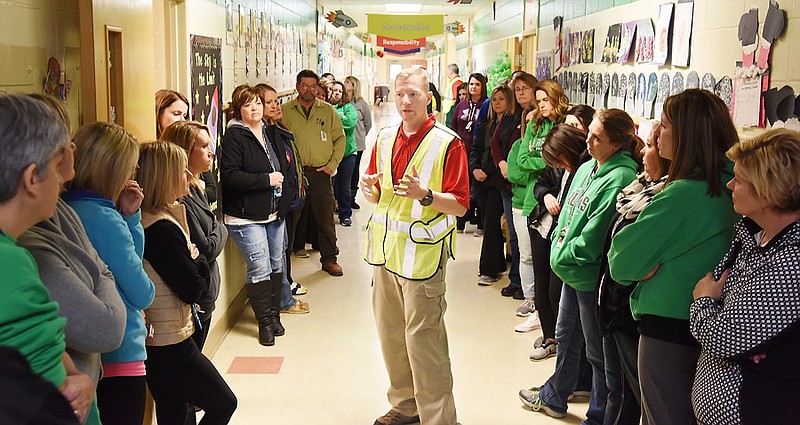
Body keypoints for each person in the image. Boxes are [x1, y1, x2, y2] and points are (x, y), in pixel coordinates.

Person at [608, 89, 740, 425]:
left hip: (669, 330)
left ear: (685, 134)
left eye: (664, 126)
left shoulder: (686, 193)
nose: (657, 133)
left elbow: (621, 261)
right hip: (710, 328)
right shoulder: (732, 185)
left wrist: (646, 265)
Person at [361, 67, 469, 425]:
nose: (406, 101)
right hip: (386, 254)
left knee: (425, 344)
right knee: (391, 338)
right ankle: (406, 405)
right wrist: (371, 190)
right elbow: (382, 194)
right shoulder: (386, 136)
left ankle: (439, 419)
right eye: (400, 94)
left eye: (414, 95)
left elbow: (460, 204)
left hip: (422, 257)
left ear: (429, 99)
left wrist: (426, 196)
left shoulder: (447, 143)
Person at [520, 109, 640, 425]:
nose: (587, 139)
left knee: (598, 355)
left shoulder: (621, 177)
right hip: (569, 270)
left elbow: (594, 235)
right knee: (565, 335)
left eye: (596, 136)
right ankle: (554, 396)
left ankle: (598, 416)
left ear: (616, 145)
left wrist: (563, 252)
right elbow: (567, 220)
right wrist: (560, 248)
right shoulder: (587, 167)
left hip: (589, 276)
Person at [18, 94, 126, 425]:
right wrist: (99, 274)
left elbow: (102, 272)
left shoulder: (61, 208)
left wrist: (99, 275)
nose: (73, 151)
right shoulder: (24, 249)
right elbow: (106, 326)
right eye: (64, 143)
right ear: (32, 172)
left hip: (84, 393)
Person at [691, 128, 800, 425]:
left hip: (755, 410)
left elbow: (724, 337)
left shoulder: (791, 262)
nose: (729, 184)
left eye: (739, 180)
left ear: (767, 191)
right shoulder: (752, 234)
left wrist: (701, 302)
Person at [0, 94, 96, 424]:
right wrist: (75, 379)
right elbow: (50, 388)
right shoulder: (8, 264)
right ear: (31, 178)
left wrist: (74, 373)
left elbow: (45, 354)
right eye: (57, 166)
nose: (64, 178)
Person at [135, 141, 237, 425]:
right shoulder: (161, 229)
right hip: (169, 341)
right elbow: (193, 287)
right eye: (182, 172)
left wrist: (194, 258)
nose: (190, 178)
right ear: (164, 177)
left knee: (174, 412)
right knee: (223, 402)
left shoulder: (155, 217)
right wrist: (200, 261)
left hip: (161, 336)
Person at [63, 122, 155, 425]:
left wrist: (127, 217)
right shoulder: (104, 219)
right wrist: (129, 222)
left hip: (82, 351)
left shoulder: (64, 209)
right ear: (114, 171)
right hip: (120, 352)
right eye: (129, 170)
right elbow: (141, 292)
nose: (132, 177)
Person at [596, 124, 670, 424]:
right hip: (613, 304)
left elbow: (632, 263)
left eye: (651, 146)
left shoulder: (663, 199)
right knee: (617, 387)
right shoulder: (638, 189)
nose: (643, 151)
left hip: (630, 315)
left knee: (633, 396)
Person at [220, 85, 291, 346]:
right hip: (246, 216)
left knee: (276, 264)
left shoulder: (267, 131)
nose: (256, 109)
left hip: (273, 213)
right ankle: (264, 324)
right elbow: (230, 175)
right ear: (239, 109)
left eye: (258, 104)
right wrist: (266, 180)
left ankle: (273, 316)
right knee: (259, 267)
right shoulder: (235, 136)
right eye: (248, 105)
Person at [159, 121, 229, 351]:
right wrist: (222, 228)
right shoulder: (180, 199)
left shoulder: (196, 187)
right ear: (184, 152)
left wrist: (216, 229)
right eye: (203, 146)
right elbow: (207, 248)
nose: (211, 152)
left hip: (207, 294)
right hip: (195, 300)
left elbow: (210, 237)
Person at [528, 122, 593, 361]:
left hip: (563, 241)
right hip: (543, 229)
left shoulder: (585, 170)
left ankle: (560, 343)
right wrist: (545, 196)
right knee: (542, 287)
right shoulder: (560, 168)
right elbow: (539, 184)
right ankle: (550, 337)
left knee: (558, 295)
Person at [512, 79, 569, 332]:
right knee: (530, 257)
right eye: (539, 101)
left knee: (549, 267)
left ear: (556, 99)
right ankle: (537, 310)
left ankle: (553, 325)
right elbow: (523, 160)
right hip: (532, 199)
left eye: (546, 100)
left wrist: (546, 161)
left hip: (555, 200)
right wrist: (547, 160)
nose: (542, 105)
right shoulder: (535, 123)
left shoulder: (563, 124)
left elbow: (560, 160)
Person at [282, 70, 346, 276]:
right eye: (304, 85)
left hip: (320, 174)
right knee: (291, 220)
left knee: (325, 218)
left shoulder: (327, 111)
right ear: (297, 86)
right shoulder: (285, 111)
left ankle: (329, 259)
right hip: (294, 176)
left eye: (312, 86)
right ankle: (284, 265)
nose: (308, 90)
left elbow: (340, 139)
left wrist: (332, 165)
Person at [254, 83, 311, 314]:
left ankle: (285, 290)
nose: (276, 105)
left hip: (289, 201)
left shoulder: (277, 128)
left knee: (284, 249)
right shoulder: (265, 134)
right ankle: (283, 299)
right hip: (279, 204)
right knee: (278, 253)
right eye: (269, 102)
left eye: (276, 101)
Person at [473, 86, 519, 287]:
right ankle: (497, 263)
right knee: (489, 222)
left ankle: (489, 269)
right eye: (494, 99)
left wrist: (489, 172)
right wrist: (474, 168)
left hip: (498, 180)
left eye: (502, 99)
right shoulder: (485, 125)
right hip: (482, 179)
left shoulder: (514, 125)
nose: (497, 103)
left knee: (493, 223)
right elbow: (475, 149)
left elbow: (501, 153)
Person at [497, 72, 537, 297]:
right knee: (517, 241)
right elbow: (516, 167)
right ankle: (519, 284)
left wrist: (520, 170)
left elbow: (531, 166)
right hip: (512, 192)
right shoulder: (512, 117)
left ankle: (530, 292)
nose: (520, 92)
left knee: (531, 250)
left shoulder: (539, 122)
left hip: (533, 196)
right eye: (517, 89)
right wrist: (504, 164)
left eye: (525, 88)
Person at [155, 89, 218, 204]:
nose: (182, 120)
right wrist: (197, 188)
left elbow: (212, 191)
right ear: (158, 113)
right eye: (176, 114)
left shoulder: (189, 141)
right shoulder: (153, 153)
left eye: (184, 115)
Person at [451, 73, 488, 234]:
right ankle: (460, 221)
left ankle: (480, 223)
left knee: (478, 189)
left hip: (478, 153)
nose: (473, 87)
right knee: (462, 187)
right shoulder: (461, 105)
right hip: (461, 152)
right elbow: (453, 126)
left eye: (477, 84)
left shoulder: (486, 105)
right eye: (471, 84)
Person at [329, 80, 358, 227]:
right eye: (334, 90)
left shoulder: (348, 108)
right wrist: (340, 116)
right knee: (332, 186)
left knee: (344, 185)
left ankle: (345, 214)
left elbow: (351, 123)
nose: (336, 93)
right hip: (331, 155)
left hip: (347, 154)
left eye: (339, 91)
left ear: (343, 94)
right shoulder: (325, 107)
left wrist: (335, 115)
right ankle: (331, 211)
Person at [344, 76, 373, 211]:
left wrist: (360, 136)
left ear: (354, 86)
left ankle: (352, 198)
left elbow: (368, 123)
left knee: (354, 171)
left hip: (358, 144)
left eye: (347, 82)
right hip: (343, 144)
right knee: (344, 173)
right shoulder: (341, 102)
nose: (344, 84)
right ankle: (342, 199)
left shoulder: (362, 104)